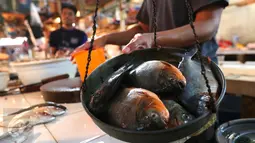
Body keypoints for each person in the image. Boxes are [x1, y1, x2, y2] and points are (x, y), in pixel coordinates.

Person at [71, 0, 228, 64]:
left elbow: (207, 25)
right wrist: (105, 39)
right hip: (160, 70)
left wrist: (153, 38)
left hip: (197, 75)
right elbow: (142, 30)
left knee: (197, 133)